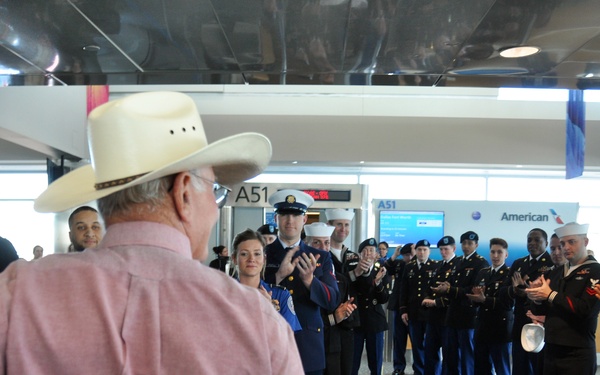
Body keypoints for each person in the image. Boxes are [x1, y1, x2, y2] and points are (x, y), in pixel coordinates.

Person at [0, 91, 303, 373]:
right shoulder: (256, 320)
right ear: (183, 192)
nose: (214, 207)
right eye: (213, 190)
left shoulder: (17, 293)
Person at [264, 189, 340, 375]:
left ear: (304, 220)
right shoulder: (262, 253)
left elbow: (332, 299)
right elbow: (249, 292)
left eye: (296, 215)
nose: (290, 220)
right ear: (276, 218)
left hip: (308, 344)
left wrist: (310, 281)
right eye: (284, 215)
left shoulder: (321, 256)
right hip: (270, 339)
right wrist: (277, 277)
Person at [526, 222, 600, 375]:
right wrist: (537, 297)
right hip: (552, 348)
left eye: (572, 242)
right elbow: (541, 309)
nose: (566, 247)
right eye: (562, 243)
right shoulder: (556, 272)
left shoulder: (595, 271)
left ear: (585, 242)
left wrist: (550, 295)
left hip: (577, 352)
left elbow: (585, 309)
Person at [431, 230, 489, 375]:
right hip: (452, 315)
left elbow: (474, 289)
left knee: (467, 355)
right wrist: (443, 287)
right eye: (464, 243)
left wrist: (450, 290)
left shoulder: (480, 262)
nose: (466, 246)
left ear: (476, 244)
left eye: (470, 243)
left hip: (468, 315)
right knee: (450, 354)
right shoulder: (459, 262)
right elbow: (451, 282)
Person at [304, 222, 357, 375]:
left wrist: (347, 311)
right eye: (316, 242)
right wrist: (333, 319)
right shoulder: (297, 276)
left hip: (334, 346)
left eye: (326, 243)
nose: (322, 248)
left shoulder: (340, 279)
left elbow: (349, 317)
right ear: (306, 245)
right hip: (308, 346)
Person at [231, 228, 301, 331]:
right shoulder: (223, 294)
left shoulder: (281, 295)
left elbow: (287, 338)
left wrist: (271, 311)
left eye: (257, 254)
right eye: (244, 254)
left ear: (264, 259)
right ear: (234, 259)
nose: (251, 259)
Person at [505, 228, 552, 375]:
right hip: (520, 323)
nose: (532, 243)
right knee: (519, 367)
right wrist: (514, 290)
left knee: (538, 367)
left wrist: (526, 291)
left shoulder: (551, 264)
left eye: (537, 240)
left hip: (540, 325)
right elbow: (504, 290)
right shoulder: (519, 263)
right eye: (529, 240)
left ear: (546, 243)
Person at [466, 238, 513, 375]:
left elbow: (508, 304)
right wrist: (474, 299)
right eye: (493, 252)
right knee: (480, 368)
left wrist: (485, 299)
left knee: (501, 368)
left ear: (506, 254)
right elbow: (477, 299)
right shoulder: (483, 272)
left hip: (500, 330)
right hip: (482, 328)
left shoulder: (509, 274)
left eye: (499, 252)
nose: (495, 255)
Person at [350, 238, 390, 375]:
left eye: (372, 250)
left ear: (376, 254)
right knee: (352, 361)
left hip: (375, 321)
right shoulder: (353, 270)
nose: (368, 253)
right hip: (357, 320)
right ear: (360, 254)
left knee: (376, 361)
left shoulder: (382, 270)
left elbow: (384, 298)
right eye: (365, 250)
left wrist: (378, 283)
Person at [399, 239, 437, 375]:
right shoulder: (409, 267)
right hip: (413, 313)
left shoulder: (435, 266)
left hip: (430, 313)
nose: (422, 252)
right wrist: (403, 310)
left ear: (429, 251)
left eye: (425, 250)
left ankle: (431, 371)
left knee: (431, 345)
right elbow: (404, 290)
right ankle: (419, 371)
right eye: (419, 250)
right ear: (415, 251)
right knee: (417, 345)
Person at [421, 236, 458, 375]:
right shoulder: (438, 266)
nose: (443, 252)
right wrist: (427, 298)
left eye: (446, 249)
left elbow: (455, 293)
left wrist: (436, 302)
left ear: (453, 249)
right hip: (433, 317)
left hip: (447, 316)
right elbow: (429, 287)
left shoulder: (458, 266)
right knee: (430, 352)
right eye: (441, 249)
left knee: (449, 355)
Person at [384, 243, 414, 375]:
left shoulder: (421, 266)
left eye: (411, 254)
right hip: (398, 306)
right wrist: (395, 255)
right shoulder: (400, 264)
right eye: (406, 255)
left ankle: (419, 368)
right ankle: (398, 367)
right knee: (399, 339)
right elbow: (385, 269)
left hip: (415, 308)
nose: (409, 257)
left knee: (417, 340)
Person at [326, 208, 359, 275]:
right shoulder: (322, 255)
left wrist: (366, 273)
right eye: (339, 224)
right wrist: (355, 273)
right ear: (329, 226)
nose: (343, 229)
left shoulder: (354, 257)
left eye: (346, 225)